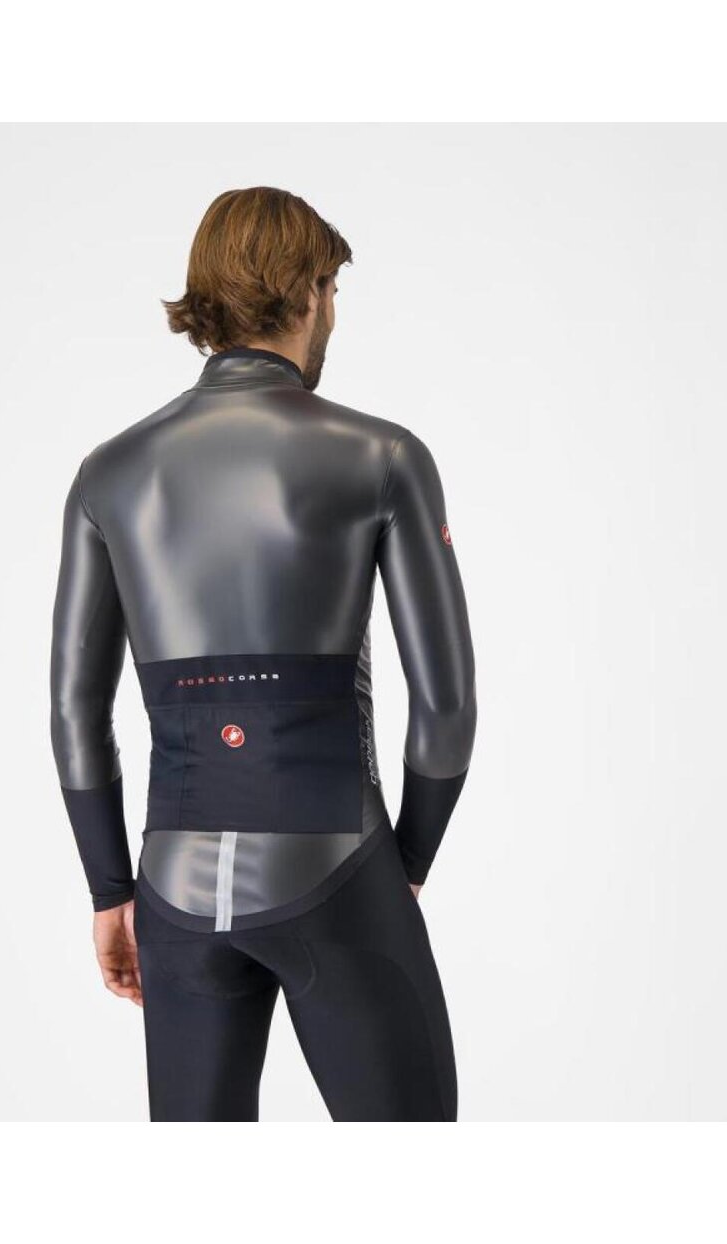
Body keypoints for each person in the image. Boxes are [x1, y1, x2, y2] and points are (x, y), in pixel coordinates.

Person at [49, 187, 477, 1121]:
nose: (334, 316)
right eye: (334, 292)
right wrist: (405, 863)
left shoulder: (109, 473)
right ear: (311, 291)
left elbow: (77, 712)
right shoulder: (382, 455)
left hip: (172, 888)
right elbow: (446, 710)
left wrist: (111, 888)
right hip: (338, 867)